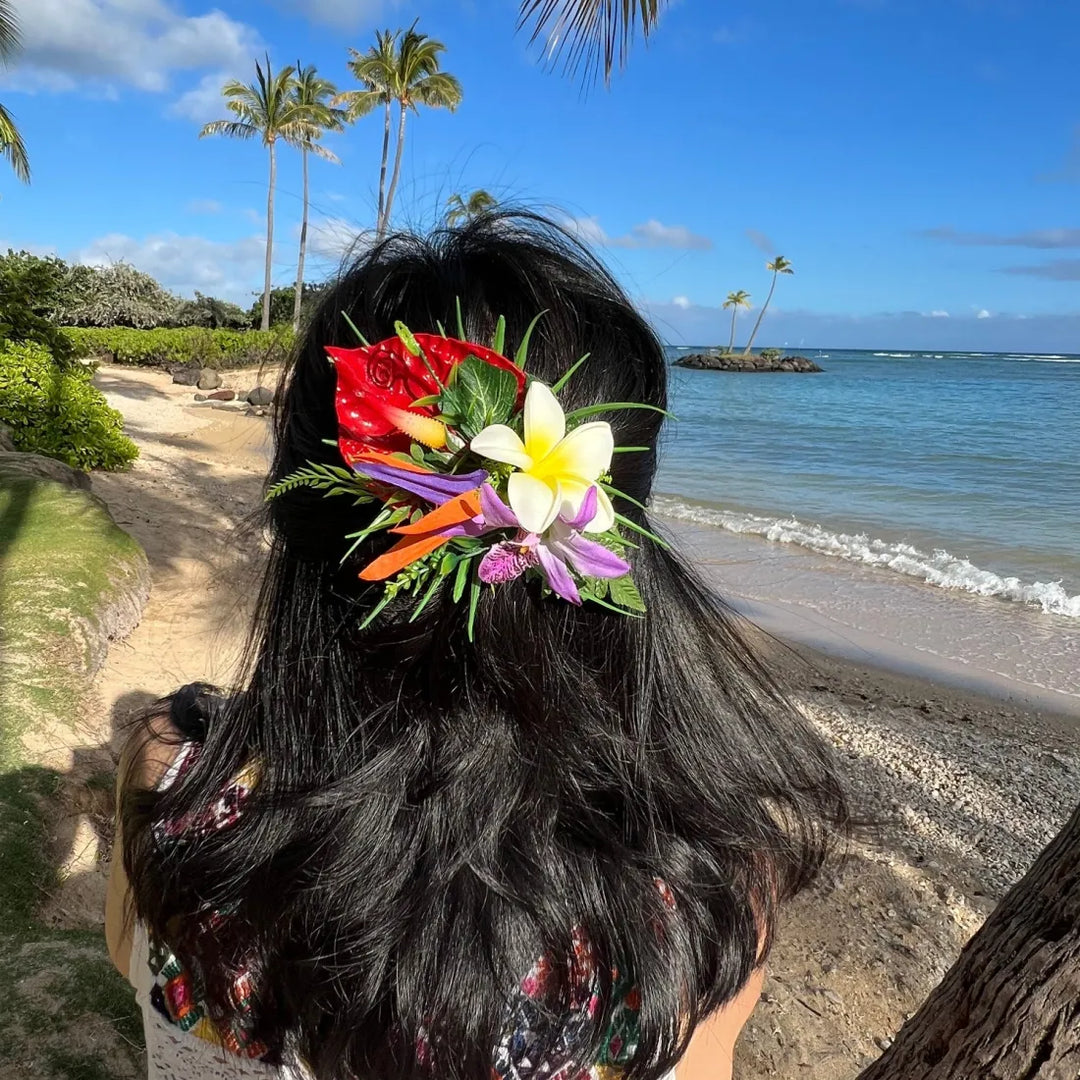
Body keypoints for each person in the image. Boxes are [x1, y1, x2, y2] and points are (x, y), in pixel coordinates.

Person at [106, 211, 849, 1080]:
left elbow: (132, 963)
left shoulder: (173, 783)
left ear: (300, 519)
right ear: (619, 535)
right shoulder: (700, 893)